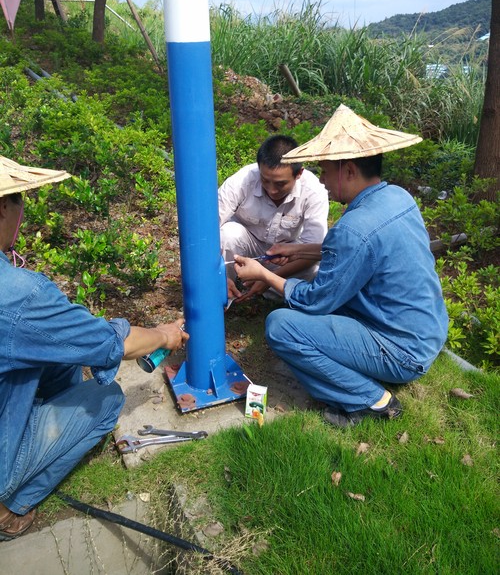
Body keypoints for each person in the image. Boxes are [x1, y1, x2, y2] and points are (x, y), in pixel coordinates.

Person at [0, 156, 189, 540]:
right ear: (4, 206)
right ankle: (9, 509)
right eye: (20, 201)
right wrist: (164, 335)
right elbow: (108, 343)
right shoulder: (16, 294)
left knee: (60, 360)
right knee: (106, 399)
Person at [233, 105, 449, 427]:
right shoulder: (397, 197)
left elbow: (315, 299)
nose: (321, 178)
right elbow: (362, 251)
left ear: (348, 170)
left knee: (281, 326)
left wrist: (264, 274)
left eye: (325, 170)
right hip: (428, 331)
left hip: (402, 350)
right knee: (317, 314)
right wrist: (300, 249)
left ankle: (370, 400)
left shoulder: (354, 228)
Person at [218, 134, 329, 302]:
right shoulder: (242, 180)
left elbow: (312, 249)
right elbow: (209, 226)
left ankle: (266, 288)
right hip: (248, 246)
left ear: (299, 173)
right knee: (228, 234)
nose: (272, 190)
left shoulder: (313, 191)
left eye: (280, 184)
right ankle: (225, 289)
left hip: (285, 256)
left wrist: (269, 277)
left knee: (312, 267)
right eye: (265, 180)